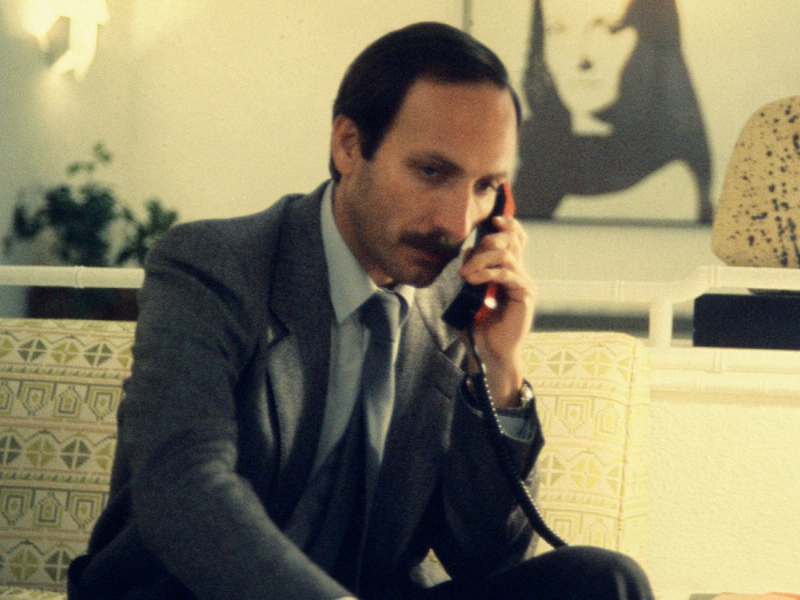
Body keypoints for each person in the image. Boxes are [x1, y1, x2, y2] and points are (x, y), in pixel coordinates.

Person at [68, 22, 653, 599]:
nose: (457, 223)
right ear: (348, 145)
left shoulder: (456, 301)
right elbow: (185, 486)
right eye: (432, 172)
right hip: (204, 593)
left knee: (605, 582)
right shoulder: (214, 264)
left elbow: (490, 559)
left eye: (484, 187)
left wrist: (500, 370)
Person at [515, 0, 713, 222]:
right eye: (557, 29)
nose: (583, 59)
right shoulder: (544, 154)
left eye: (609, 29)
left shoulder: (671, 181)